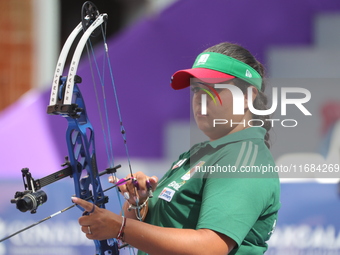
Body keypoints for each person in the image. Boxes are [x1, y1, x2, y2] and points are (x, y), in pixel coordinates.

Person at [72, 42, 281, 255]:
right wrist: (138, 202)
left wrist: (121, 227)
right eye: (197, 89)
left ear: (247, 97)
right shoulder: (203, 152)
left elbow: (209, 248)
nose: (200, 99)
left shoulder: (245, 158)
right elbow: (148, 235)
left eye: (214, 89)